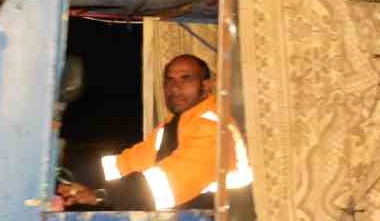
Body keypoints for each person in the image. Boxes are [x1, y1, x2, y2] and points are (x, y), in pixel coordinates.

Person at [58, 54, 250, 212]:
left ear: (206, 86)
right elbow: (124, 164)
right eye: (169, 81)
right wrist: (71, 174)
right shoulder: (172, 126)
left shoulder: (214, 126)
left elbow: (164, 185)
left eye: (186, 79)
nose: (175, 88)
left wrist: (100, 196)